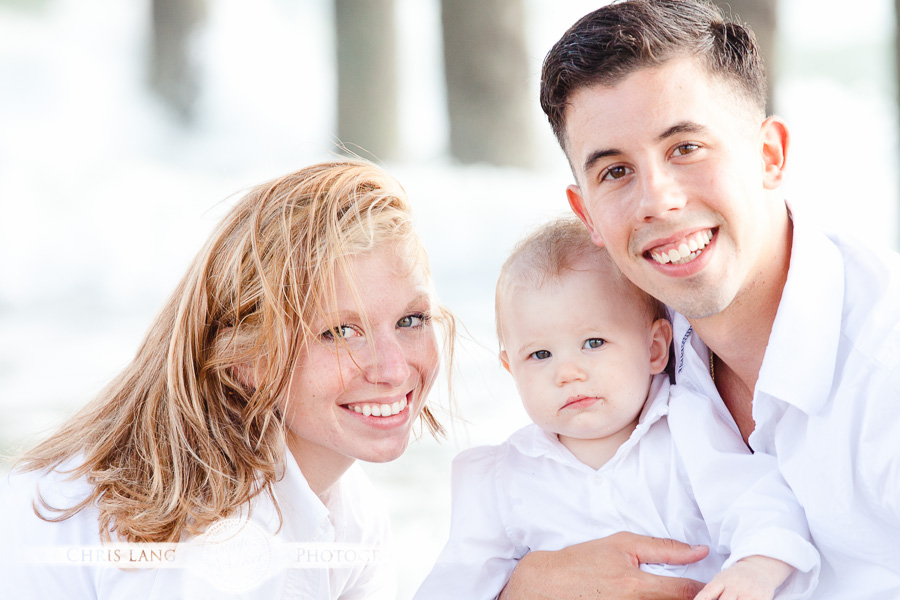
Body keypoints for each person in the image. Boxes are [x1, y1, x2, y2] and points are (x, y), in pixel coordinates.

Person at [501, 1, 900, 598]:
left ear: (770, 156)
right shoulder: (634, 333)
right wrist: (526, 584)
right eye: (614, 172)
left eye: (686, 147)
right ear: (585, 212)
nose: (656, 200)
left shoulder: (883, 373)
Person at [0, 160, 454, 599]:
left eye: (411, 320)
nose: (393, 369)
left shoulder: (345, 506)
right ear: (245, 358)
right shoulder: (225, 541)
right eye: (339, 332)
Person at [415, 218, 818, 600]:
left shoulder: (685, 429)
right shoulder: (502, 478)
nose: (567, 373)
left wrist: (754, 569)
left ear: (655, 348)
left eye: (594, 342)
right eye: (540, 354)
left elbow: (761, 503)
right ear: (510, 369)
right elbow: (455, 584)